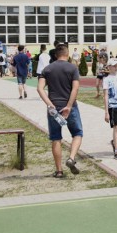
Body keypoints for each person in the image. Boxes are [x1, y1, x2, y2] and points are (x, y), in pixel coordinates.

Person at [37, 44, 83, 178]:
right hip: (70, 107)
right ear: (67, 54)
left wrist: (50, 104)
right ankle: (71, 157)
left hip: (54, 108)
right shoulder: (72, 68)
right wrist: (69, 106)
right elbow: (75, 89)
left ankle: (59, 171)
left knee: (56, 138)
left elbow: (40, 89)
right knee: (77, 133)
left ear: (56, 55)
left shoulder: (47, 69)